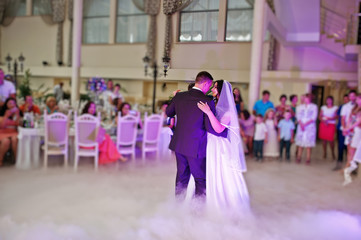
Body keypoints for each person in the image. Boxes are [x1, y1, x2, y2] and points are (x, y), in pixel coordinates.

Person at [166, 71, 226, 199]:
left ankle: (178, 206)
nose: (209, 88)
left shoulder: (179, 96)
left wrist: (173, 97)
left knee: (181, 177)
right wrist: (224, 131)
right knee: (200, 179)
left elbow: (169, 112)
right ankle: (198, 211)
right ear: (205, 83)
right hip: (196, 147)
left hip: (179, 145)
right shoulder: (207, 101)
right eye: (209, 85)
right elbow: (210, 127)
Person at [194, 79, 249, 210]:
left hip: (220, 145)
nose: (212, 89)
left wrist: (207, 112)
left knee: (221, 172)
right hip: (211, 142)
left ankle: (223, 203)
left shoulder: (229, 110)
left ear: (221, 91)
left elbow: (219, 129)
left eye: (215, 87)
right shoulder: (216, 105)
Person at [342, 93, 361, 185]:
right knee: (350, 149)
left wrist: (348, 128)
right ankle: (348, 167)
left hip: (357, 131)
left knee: (354, 149)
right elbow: (349, 119)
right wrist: (346, 128)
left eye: (358, 99)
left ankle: (351, 167)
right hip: (351, 131)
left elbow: (358, 122)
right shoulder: (354, 108)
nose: (356, 101)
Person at [295, 93, 318, 164]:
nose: (306, 99)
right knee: (300, 143)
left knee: (308, 144)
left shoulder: (314, 106)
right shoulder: (300, 107)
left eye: (308, 98)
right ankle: (299, 157)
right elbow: (298, 115)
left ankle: (308, 158)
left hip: (309, 125)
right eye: (305, 98)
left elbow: (314, 117)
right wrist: (301, 123)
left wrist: (305, 124)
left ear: (310, 99)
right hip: (301, 125)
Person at [0, 98, 21, 166]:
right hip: (3, 132)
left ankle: (16, 159)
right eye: (10, 103)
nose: (12, 105)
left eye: (13, 103)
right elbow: (2, 126)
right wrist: (6, 116)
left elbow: (17, 125)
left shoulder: (16, 113)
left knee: (15, 139)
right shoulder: (2, 113)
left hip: (13, 131)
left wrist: (17, 115)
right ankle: (0, 159)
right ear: (6, 105)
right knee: (6, 141)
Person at [318, 96, 338, 160]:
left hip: (331, 124)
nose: (329, 101)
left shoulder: (335, 107)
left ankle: (332, 152)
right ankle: (324, 152)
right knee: (324, 140)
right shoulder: (323, 107)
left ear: (332, 100)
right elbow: (320, 116)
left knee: (331, 140)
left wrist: (328, 119)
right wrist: (323, 120)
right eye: (327, 100)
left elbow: (336, 116)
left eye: (330, 100)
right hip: (323, 124)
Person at [340, 90, 357, 166]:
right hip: (349, 129)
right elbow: (343, 118)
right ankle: (348, 164)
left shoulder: (358, 105)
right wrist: (344, 128)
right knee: (349, 148)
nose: (352, 97)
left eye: (353, 96)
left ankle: (353, 165)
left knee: (355, 148)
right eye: (350, 96)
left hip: (357, 129)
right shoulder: (345, 106)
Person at [334, 94, 349, 171]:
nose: (346, 100)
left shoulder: (353, 107)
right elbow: (339, 116)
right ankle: (339, 162)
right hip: (341, 128)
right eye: (345, 99)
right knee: (340, 146)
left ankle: (349, 164)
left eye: (347, 99)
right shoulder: (341, 107)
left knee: (348, 147)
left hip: (349, 129)